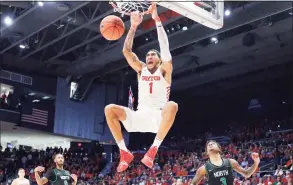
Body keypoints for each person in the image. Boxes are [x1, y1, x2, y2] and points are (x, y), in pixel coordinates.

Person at [104, 4, 178, 172]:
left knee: (173, 105)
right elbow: (126, 51)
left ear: (159, 60)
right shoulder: (140, 69)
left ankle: (153, 150)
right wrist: (134, 26)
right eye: (148, 55)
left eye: (153, 55)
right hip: (139, 115)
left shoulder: (165, 70)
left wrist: (157, 20)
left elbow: (165, 50)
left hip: (158, 117)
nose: (149, 56)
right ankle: (124, 151)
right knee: (109, 109)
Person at [190, 140, 260, 185]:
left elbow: (247, 174)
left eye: (213, 144)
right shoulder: (203, 169)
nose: (210, 145)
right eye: (208, 145)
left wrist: (256, 162)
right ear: (207, 152)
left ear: (219, 148)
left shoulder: (231, 162)